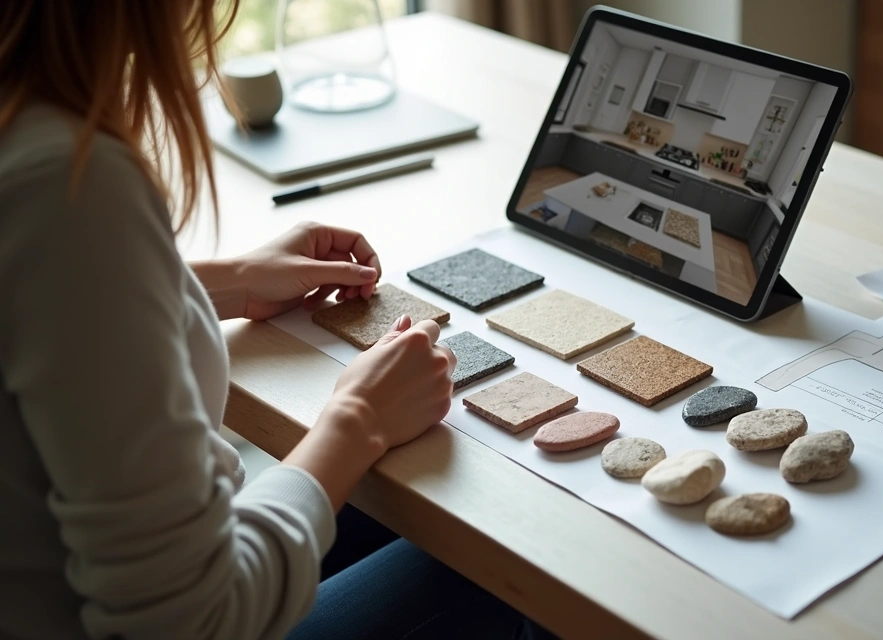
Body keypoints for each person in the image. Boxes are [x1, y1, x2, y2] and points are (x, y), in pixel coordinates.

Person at [0, 2, 553, 638]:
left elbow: (46, 317)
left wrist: (221, 283)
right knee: (505, 563)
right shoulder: (69, 186)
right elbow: (192, 618)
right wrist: (357, 421)